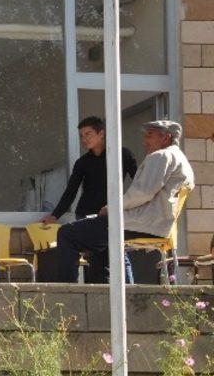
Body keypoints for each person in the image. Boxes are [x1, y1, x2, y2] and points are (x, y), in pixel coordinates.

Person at [56, 120, 195, 283]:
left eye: (149, 135)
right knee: (98, 247)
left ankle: (67, 291)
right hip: (154, 224)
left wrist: (112, 208)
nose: (144, 141)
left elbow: (143, 192)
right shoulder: (181, 159)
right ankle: (114, 294)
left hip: (139, 224)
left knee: (66, 234)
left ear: (166, 138)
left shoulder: (162, 156)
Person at [43, 116, 138, 225]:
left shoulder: (122, 154)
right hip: (84, 215)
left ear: (101, 134)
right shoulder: (81, 162)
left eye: (88, 134)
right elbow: (70, 192)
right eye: (81, 136)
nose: (84, 139)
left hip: (112, 214)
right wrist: (54, 216)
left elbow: (139, 183)